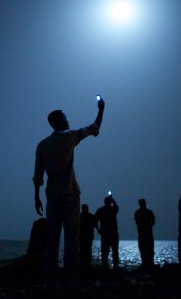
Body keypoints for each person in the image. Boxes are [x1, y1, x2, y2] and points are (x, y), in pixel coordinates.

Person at [33, 98, 105, 294]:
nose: (68, 120)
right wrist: (101, 109)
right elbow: (95, 126)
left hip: (51, 197)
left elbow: (37, 177)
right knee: (72, 240)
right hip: (69, 194)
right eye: (65, 117)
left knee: (52, 242)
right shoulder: (70, 137)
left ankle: (50, 283)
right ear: (60, 122)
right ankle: (71, 283)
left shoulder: (42, 145)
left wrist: (36, 198)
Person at [95, 195, 120, 270]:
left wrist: (98, 230)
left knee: (105, 252)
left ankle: (105, 267)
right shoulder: (113, 209)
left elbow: (95, 221)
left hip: (105, 233)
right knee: (115, 251)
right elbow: (116, 206)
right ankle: (115, 267)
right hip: (113, 233)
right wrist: (113, 199)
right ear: (110, 202)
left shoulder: (100, 210)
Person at [134, 198, 155, 269]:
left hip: (144, 233)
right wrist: (149, 226)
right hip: (145, 233)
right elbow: (153, 220)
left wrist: (147, 227)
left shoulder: (138, 212)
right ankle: (148, 263)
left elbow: (137, 222)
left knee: (145, 248)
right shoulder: (148, 212)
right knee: (147, 248)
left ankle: (147, 263)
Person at [79, 204, 96, 269]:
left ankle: (82, 264)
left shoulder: (79, 216)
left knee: (82, 249)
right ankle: (88, 264)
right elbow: (95, 224)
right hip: (88, 236)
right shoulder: (91, 216)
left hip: (81, 236)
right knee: (88, 250)